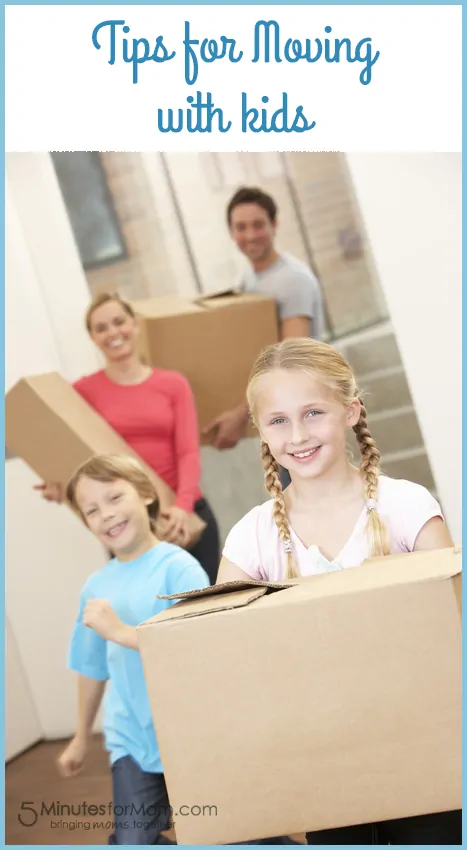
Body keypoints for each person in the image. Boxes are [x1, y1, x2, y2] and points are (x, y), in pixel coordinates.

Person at [217, 337, 461, 845]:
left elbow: (452, 629)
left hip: (422, 748)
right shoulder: (252, 538)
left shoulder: (407, 508)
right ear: (259, 427)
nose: (298, 434)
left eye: (313, 413)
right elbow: (226, 657)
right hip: (321, 761)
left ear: (351, 411)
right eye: (278, 420)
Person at [57, 454, 210, 845]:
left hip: (191, 733)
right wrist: (79, 737)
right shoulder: (95, 587)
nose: (105, 515)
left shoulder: (181, 569)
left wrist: (121, 631)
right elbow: (91, 668)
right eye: (91, 510)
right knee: (133, 842)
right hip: (131, 737)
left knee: (229, 834)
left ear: (145, 494)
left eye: (113, 498)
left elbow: (194, 649)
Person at [35, 292, 220, 585]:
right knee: (153, 623)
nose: (113, 333)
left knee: (210, 613)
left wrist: (183, 508)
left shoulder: (172, 384)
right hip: (125, 524)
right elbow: (74, 452)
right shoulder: (82, 392)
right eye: (101, 328)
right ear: (93, 338)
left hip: (182, 517)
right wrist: (61, 486)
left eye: (119, 322)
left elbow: (188, 452)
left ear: (134, 325)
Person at [203, 186, 325, 453]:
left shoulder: (292, 280)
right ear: (231, 233)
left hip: (304, 419)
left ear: (274, 225)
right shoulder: (249, 279)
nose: (250, 235)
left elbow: (289, 361)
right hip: (278, 417)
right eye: (241, 227)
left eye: (258, 225)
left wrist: (241, 414)